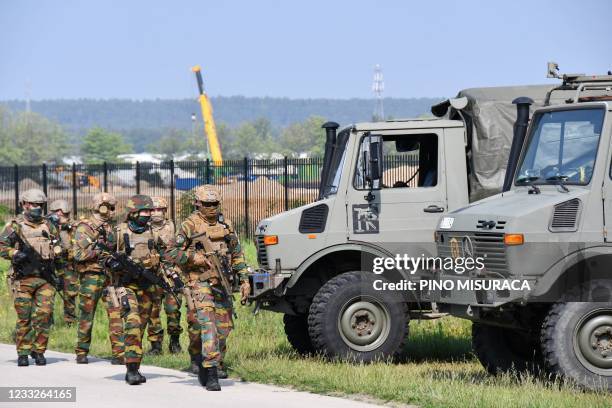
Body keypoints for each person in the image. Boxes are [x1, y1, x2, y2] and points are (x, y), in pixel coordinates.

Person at [165, 185, 250, 391]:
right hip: (199, 282)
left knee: (224, 327)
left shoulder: (226, 225)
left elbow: (237, 254)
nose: (211, 208)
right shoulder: (189, 225)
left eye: (215, 204)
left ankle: (206, 360)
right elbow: (171, 252)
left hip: (223, 282)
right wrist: (194, 257)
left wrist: (245, 279)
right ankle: (211, 371)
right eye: (207, 204)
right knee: (208, 325)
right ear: (198, 204)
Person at [0, 189, 60, 366]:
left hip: (45, 279)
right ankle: (23, 352)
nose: (36, 208)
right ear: (24, 205)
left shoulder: (49, 225)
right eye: (33, 205)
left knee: (44, 315)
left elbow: (58, 250)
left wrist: (61, 275)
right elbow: (2, 246)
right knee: (24, 317)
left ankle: (39, 350)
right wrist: (15, 253)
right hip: (22, 279)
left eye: (40, 205)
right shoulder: (14, 226)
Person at [106, 194, 160, 385]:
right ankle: (132, 369)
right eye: (145, 211)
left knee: (142, 327)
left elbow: (164, 254)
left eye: (150, 211)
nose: (148, 215)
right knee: (133, 324)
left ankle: (135, 363)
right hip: (125, 286)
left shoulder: (152, 232)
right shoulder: (118, 232)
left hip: (146, 287)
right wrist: (112, 263)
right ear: (133, 212)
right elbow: (101, 253)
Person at [73, 192, 124, 365]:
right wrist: (98, 253)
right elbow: (78, 254)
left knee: (116, 313)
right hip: (91, 277)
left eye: (112, 207)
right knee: (87, 314)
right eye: (109, 207)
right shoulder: (84, 227)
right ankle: (81, 351)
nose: (111, 211)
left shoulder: (111, 227)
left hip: (110, 277)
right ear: (100, 207)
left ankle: (119, 354)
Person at [145, 196, 183, 355]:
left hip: (171, 274)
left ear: (165, 211)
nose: (156, 213)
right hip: (152, 275)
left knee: (173, 309)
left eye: (159, 209)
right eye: (153, 210)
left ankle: (175, 342)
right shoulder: (144, 228)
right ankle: (155, 346)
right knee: (153, 311)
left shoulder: (173, 227)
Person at [47, 199, 79, 326]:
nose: (59, 215)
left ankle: (70, 321)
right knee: (48, 293)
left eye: (62, 213)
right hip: (51, 265)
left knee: (70, 293)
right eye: (57, 212)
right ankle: (48, 322)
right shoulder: (47, 225)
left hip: (67, 265)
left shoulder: (74, 226)